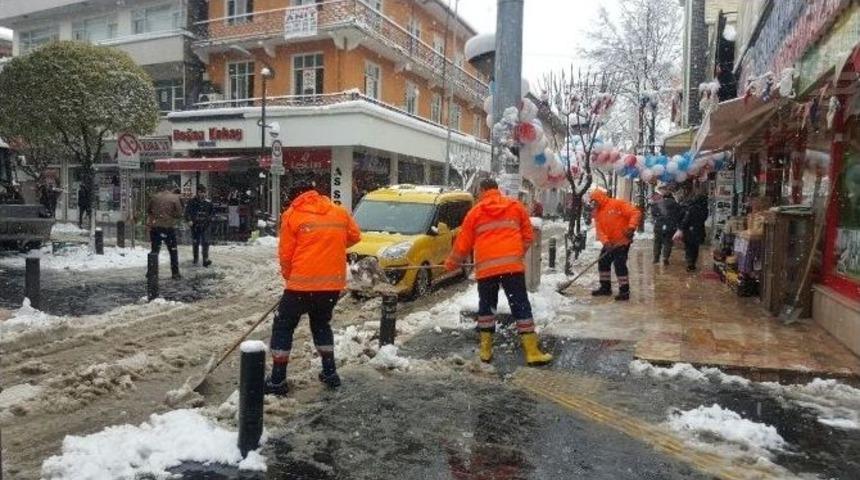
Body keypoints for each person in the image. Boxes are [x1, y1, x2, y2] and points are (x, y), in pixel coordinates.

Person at [266, 182, 361, 396]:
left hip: (301, 285)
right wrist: (329, 245)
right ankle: (329, 372)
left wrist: (290, 278)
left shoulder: (292, 214)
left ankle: (278, 379)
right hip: (331, 286)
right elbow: (355, 236)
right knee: (321, 324)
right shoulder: (338, 211)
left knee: (283, 326)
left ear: (295, 197)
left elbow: (286, 255)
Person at [445, 178, 553, 366]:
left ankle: (486, 350)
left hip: (486, 269)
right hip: (512, 267)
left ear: (482, 190)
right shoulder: (515, 206)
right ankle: (532, 352)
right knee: (520, 306)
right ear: (497, 189)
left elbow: (462, 244)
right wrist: (516, 254)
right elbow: (528, 235)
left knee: (487, 307)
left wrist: (451, 265)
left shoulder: (475, 212)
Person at [588, 189, 642, 301]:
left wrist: (631, 228)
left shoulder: (617, 204)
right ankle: (605, 288)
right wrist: (606, 242)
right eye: (592, 202)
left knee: (619, 264)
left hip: (622, 241)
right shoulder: (597, 212)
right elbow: (599, 230)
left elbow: (635, 213)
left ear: (600, 198)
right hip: (610, 243)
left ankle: (624, 291)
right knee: (603, 262)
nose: (594, 204)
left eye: (595, 201)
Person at [148, 185, 184, 280]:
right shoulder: (174, 198)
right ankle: (175, 273)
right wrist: (171, 215)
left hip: (156, 227)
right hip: (168, 227)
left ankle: (151, 272)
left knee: (155, 250)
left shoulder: (155, 197)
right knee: (173, 251)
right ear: (171, 190)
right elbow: (179, 214)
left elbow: (149, 210)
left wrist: (156, 217)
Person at [679, 188, 709, 272]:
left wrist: (681, 228)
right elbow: (703, 219)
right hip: (699, 230)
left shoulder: (691, 208)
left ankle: (689, 263)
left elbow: (686, 220)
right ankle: (693, 263)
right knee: (695, 248)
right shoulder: (705, 209)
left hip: (689, 231)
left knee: (689, 248)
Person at [185, 185, 215, 267]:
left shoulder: (209, 203)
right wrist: (189, 220)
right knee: (196, 242)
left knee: (205, 242)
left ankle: (205, 259)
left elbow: (212, 213)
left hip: (205, 225)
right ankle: (195, 259)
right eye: (201, 192)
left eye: (204, 192)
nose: (203, 194)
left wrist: (210, 219)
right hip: (195, 225)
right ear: (198, 192)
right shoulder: (192, 202)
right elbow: (187, 212)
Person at [652, 190, 682, 265]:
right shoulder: (674, 203)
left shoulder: (656, 204)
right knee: (668, 242)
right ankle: (665, 257)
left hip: (658, 226)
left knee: (657, 242)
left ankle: (656, 258)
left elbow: (654, 215)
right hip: (670, 226)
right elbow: (679, 213)